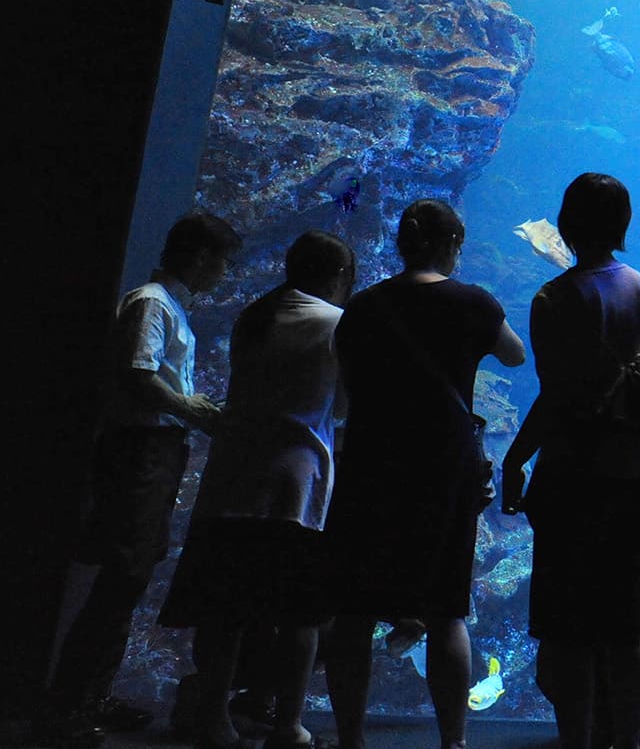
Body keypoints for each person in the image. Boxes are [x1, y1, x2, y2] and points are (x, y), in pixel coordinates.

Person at [320, 200, 525, 749]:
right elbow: (514, 355)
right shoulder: (473, 302)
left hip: (371, 465)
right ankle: (453, 741)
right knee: (446, 608)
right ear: (450, 243)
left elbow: (345, 392)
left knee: (354, 608)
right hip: (443, 469)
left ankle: (349, 738)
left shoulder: (363, 307)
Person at [40, 212, 241, 747]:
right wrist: (190, 409)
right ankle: (67, 706)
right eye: (222, 262)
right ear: (199, 257)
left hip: (156, 449)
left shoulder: (169, 305)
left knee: (131, 572)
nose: (223, 274)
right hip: (139, 450)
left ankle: (91, 695)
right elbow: (136, 372)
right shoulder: (152, 302)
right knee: (123, 573)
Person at [158, 230, 356, 749]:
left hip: (232, 481)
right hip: (296, 486)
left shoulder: (254, 316)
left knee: (226, 610)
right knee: (301, 615)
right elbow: (342, 409)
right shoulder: (338, 324)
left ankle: (214, 717)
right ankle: (287, 724)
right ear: (337, 276)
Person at [502, 173, 640, 749]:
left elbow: (555, 397)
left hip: (576, 478)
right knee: (626, 630)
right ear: (623, 226)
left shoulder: (556, 299)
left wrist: (514, 459)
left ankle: (576, 742)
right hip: (638, 480)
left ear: (567, 224)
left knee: (570, 629)